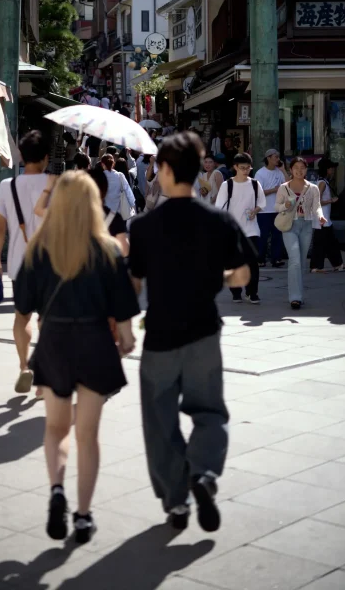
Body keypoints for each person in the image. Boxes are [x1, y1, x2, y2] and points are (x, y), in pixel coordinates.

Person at [129, 132, 251, 532]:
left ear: (164, 170)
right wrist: (217, 274)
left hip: (161, 337)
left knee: (160, 422)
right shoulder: (219, 221)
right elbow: (242, 277)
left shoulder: (144, 226)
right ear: (198, 170)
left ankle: (177, 502)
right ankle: (204, 475)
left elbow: (134, 285)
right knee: (210, 412)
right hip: (203, 333)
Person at [14, 171, 138, 544]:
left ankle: (56, 490)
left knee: (55, 428)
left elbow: (22, 309)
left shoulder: (39, 248)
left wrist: (23, 355)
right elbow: (126, 318)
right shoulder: (108, 250)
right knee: (88, 435)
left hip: (54, 341)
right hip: (95, 342)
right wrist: (127, 339)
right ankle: (83, 516)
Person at [0, 130, 51, 394]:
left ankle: (24, 366)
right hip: (52, 263)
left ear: (22, 157)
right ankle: (42, 377)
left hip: (19, 263)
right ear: (46, 158)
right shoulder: (57, 184)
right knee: (47, 320)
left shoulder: (7, 186)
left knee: (21, 317)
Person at [275, 156, 326, 310]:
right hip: (290, 225)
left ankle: (299, 295)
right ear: (291, 170)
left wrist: (320, 216)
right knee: (295, 259)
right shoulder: (284, 187)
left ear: (306, 170)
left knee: (301, 262)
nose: (299, 170)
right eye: (296, 167)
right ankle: (294, 297)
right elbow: (276, 206)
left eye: (302, 168)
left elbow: (317, 206)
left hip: (307, 225)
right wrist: (286, 204)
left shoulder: (313, 187)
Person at [215, 153, 266, 304]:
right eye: (242, 168)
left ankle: (252, 292)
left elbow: (262, 203)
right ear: (235, 167)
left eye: (248, 168)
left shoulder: (255, 184)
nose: (245, 171)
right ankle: (236, 291)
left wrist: (255, 211)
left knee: (252, 263)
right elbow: (219, 208)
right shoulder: (227, 185)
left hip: (251, 229)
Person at [310, 158, 345, 273]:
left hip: (324, 219)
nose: (333, 170)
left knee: (330, 242)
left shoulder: (323, 182)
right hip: (321, 219)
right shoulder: (322, 183)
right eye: (331, 168)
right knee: (322, 243)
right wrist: (331, 201)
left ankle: (337, 264)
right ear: (327, 170)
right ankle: (316, 266)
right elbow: (316, 201)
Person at [254, 149, 288, 268]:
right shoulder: (260, 173)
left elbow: (289, 184)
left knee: (277, 236)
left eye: (278, 157)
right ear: (268, 158)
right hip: (264, 210)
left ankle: (276, 258)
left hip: (278, 210)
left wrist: (283, 170)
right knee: (263, 235)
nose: (277, 159)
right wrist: (274, 190)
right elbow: (258, 192)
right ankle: (260, 259)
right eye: (275, 157)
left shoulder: (279, 172)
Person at [89, 168, 129, 255]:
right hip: (105, 266)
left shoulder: (71, 217)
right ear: (104, 189)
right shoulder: (115, 219)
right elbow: (125, 251)